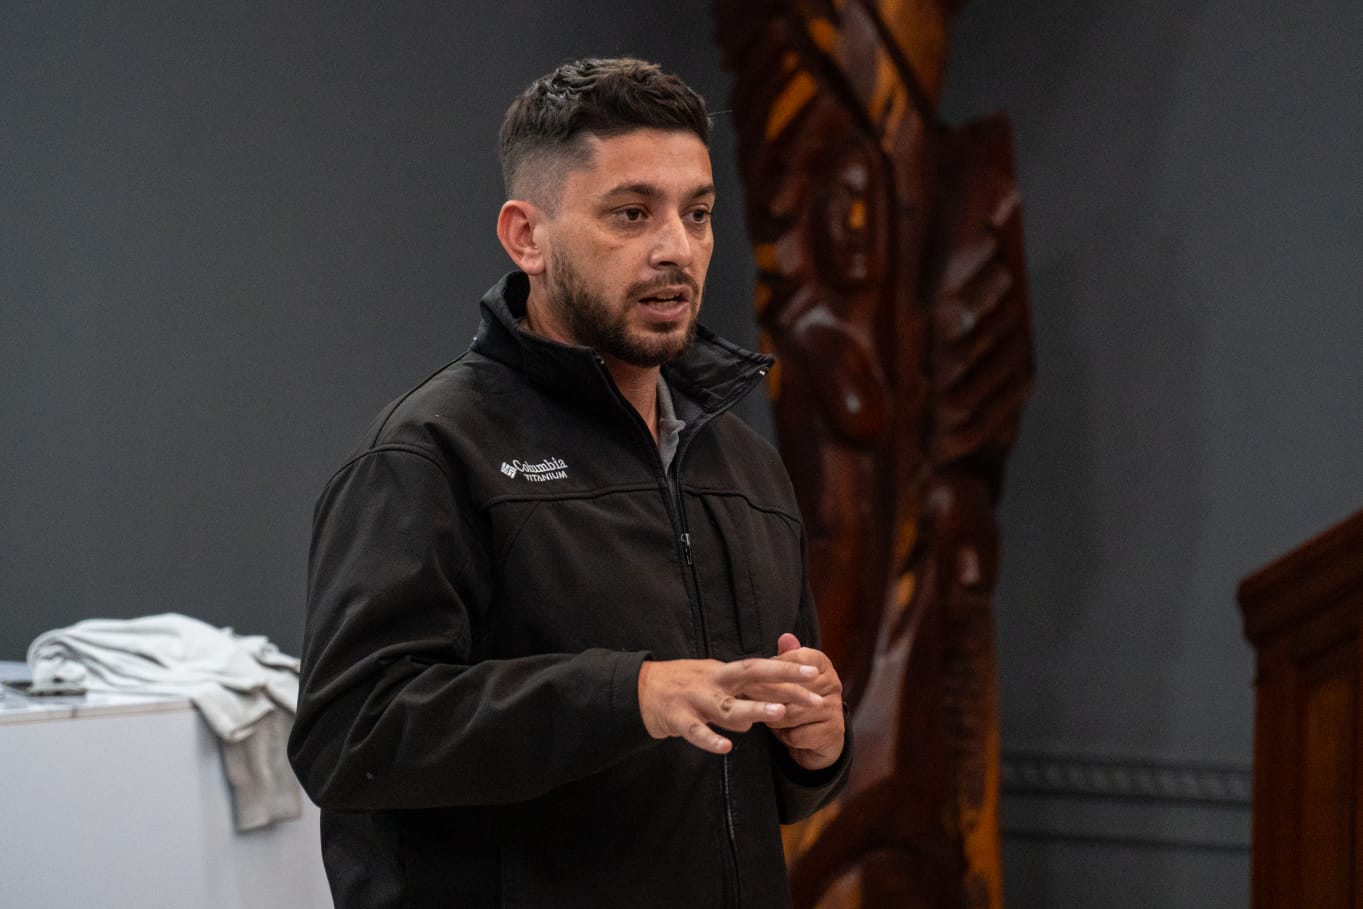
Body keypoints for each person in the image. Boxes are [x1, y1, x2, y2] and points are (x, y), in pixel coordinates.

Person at [288, 57, 850, 909]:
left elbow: (738, 786)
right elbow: (350, 735)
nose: (677, 248)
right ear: (527, 236)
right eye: (631, 213)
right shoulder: (427, 453)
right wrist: (627, 693)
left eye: (697, 213)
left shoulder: (741, 466)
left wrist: (814, 749)